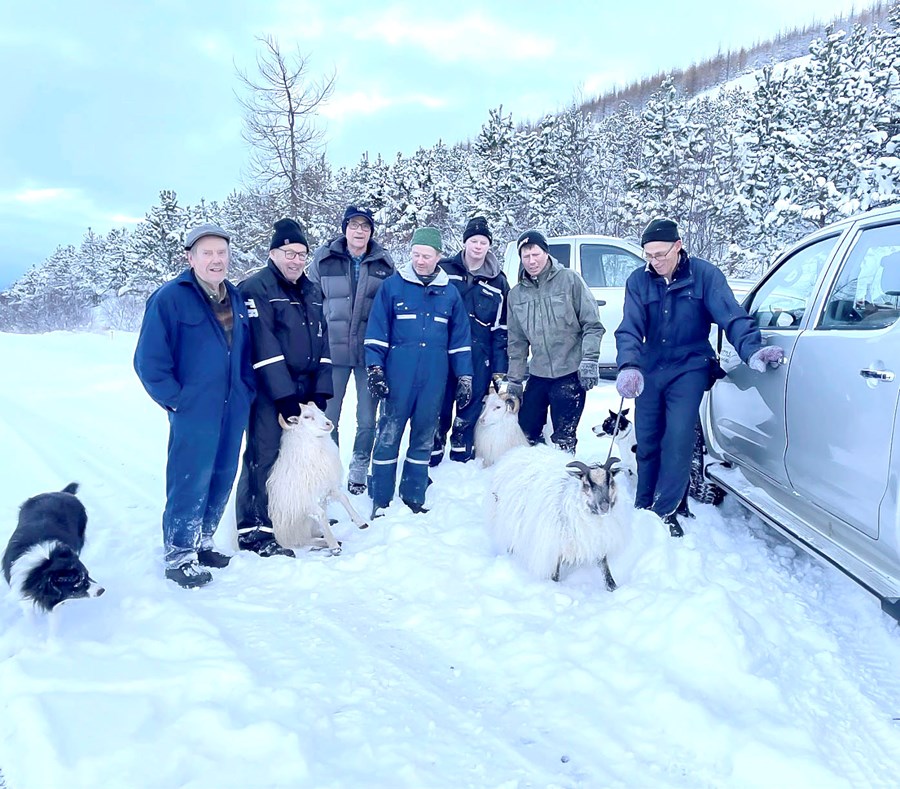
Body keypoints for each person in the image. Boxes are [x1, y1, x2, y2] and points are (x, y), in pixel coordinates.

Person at [615, 217, 785, 537]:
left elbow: (731, 316)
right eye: (648, 256)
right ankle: (643, 505)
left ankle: (665, 510)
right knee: (648, 438)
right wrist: (628, 366)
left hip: (690, 365)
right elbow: (630, 328)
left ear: (678, 246)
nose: (655, 262)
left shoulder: (705, 276)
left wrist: (752, 349)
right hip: (651, 368)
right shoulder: (638, 281)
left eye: (661, 254)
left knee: (678, 436)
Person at [134, 223, 256, 589]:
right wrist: (177, 400)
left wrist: (246, 389)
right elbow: (148, 360)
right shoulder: (170, 298)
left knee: (221, 476)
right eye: (208, 253)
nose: (217, 260)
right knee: (190, 478)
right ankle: (178, 554)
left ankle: (203, 542)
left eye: (222, 253)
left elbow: (244, 351)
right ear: (191, 258)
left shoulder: (234, 297)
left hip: (233, 406)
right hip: (195, 409)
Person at [235, 218, 334, 557]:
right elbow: (263, 343)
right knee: (263, 456)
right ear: (273, 253)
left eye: (301, 253)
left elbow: (323, 340)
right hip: (270, 389)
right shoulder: (256, 288)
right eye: (288, 253)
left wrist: (320, 388)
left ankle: (291, 520)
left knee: (298, 459)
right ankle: (254, 529)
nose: (295, 260)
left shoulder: (311, 290)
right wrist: (284, 396)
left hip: (304, 391)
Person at [364, 227, 473, 517]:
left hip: (434, 378)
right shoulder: (393, 287)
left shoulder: (449, 293)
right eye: (416, 254)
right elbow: (376, 332)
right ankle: (381, 498)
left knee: (424, 436)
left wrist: (465, 376)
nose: (420, 261)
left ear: (438, 257)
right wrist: (375, 368)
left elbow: (460, 339)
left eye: (426, 255)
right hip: (398, 374)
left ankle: (413, 494)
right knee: (388, 435)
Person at [308, 206, 395, 495]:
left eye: (365, 226)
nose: (359, 231)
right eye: (354, 225)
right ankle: (328, 471)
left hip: (368, 355)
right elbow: (310, 301)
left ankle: (359, 467)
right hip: (331, 354)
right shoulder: (325, 258)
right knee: (328, 416)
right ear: (345, 228)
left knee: (368, 417)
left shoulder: (384, 264)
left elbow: (391, 310)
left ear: (371, 231)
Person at [506, 230, 605, 454]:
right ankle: (536, 479)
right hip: (539, 374)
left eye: (536, 254)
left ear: (546, 253)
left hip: (569, 371)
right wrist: (514, 380)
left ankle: (563, 478)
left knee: (563, 437)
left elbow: (592, 324)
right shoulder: (516, 295)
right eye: (526, 256)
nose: (531, 261)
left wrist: (589, 359)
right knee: (526, 432)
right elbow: (517, 342)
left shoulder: (569, 280)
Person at [430, 216, 510, 465]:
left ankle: (461, 455)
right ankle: (433, 452)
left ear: (489, 246)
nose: (478, 246)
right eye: (473, 240)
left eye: (483, 242)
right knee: (438, 405)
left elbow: (500, 330)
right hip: (443, 353)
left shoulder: (498, 282)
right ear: (465, 242)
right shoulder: (443, 270)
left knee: (470, 406)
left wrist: (499, 370)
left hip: (479, 356)